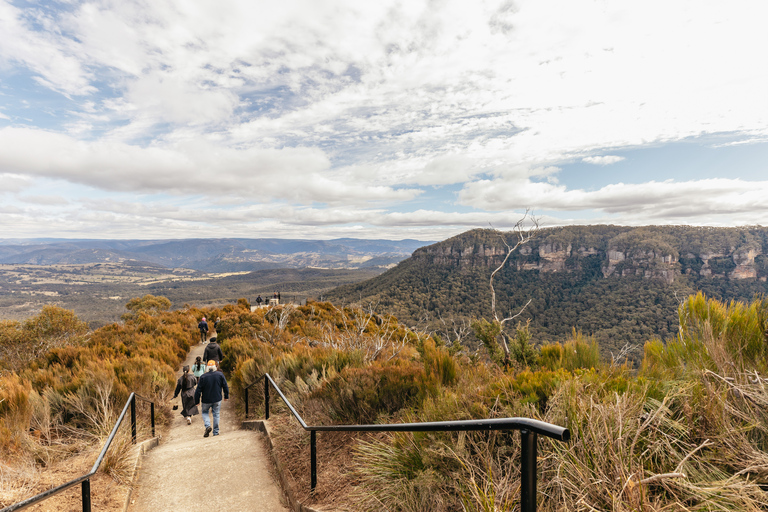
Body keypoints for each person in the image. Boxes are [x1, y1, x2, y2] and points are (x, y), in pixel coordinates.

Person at [194, 360, 229, 437]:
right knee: (216, 414)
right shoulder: (220, 375)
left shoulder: (203, 377)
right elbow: (225, 386)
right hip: (217, 398)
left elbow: (198, 390)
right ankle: (215, 432)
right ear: (215, 367)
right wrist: (226, 396)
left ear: (207, 367)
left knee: (205, 412)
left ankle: (207, 426)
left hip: (206, 400)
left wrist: (197, 401)